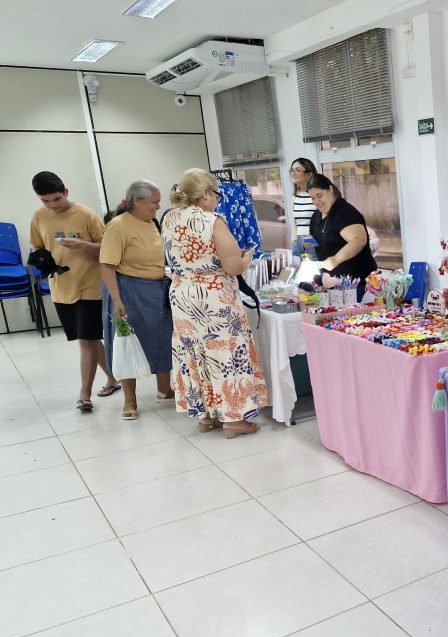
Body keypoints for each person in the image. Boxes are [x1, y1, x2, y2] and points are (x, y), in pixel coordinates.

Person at [162, 169, 268, 438]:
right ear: (206, 194)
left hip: (182, 294)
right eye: (217, 194)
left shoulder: (169, 218)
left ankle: (208, 415)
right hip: (213, 296)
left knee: (195, 352)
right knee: (225, 353)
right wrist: (246, 259)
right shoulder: (213, 220)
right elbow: (233, 267)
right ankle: (233, 419)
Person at [28, 171, 119, 412]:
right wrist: (41, 259)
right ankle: (112, 378)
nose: (52, 205)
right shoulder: (39, 217)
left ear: (65, 192)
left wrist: (83, 245)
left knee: (85, 340)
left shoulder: (86, 214)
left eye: (56, 199)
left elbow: (108, 247)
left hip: (90, 285)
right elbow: (37, 246)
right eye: (45, 201)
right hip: (61, 287)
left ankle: (84, 394)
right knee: (89, 337)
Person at [98, 181, 173, 420]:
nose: (158, 206)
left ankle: (164, 390)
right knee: (127, 343)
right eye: (154, 202)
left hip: (157, 290)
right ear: (137, 201)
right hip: (128, 291)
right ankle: (129, 400)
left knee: (162, 338)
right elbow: (106, 266)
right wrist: (116, 299)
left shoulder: (152, 222)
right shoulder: (118, 225)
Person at [305, 173, 377, 300]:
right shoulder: (316, 216)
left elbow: (359, 240)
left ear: (330, 189)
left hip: (356, 283)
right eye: (312, 198)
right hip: (332, 284)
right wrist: (309, 244)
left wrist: (335, 260)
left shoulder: (345, 212)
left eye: (319, 196)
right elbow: (321, 240)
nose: (316, 201)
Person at [288, 157, 318, 239]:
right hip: (300, 241)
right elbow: (295, 224)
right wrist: (294, 241)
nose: (293, 173)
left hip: (315, 241)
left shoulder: (318, 195)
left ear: (309, 174)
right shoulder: (294, 196)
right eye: (292, 170)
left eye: (297, 170)